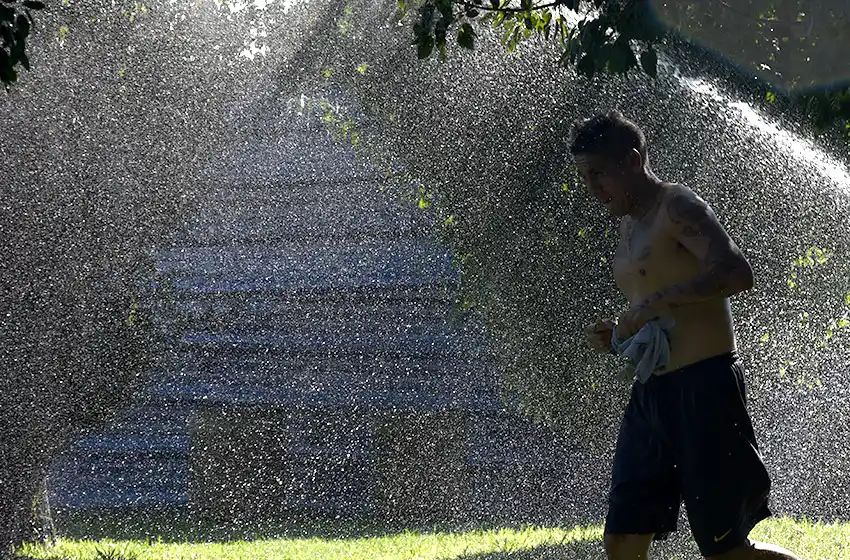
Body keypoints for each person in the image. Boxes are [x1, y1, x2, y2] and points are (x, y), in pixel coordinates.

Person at [574, 110, 801, 560]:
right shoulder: (628, 223)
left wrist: (652, 305)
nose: (592, 188)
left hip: (705, 389)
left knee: (727, 552)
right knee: (622, 539)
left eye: (599, 174)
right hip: (651, 395)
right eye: (585, 177)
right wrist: (621, 331)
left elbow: (736, 272)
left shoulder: (677, 206)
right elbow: (650, 297)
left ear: (633, 162)